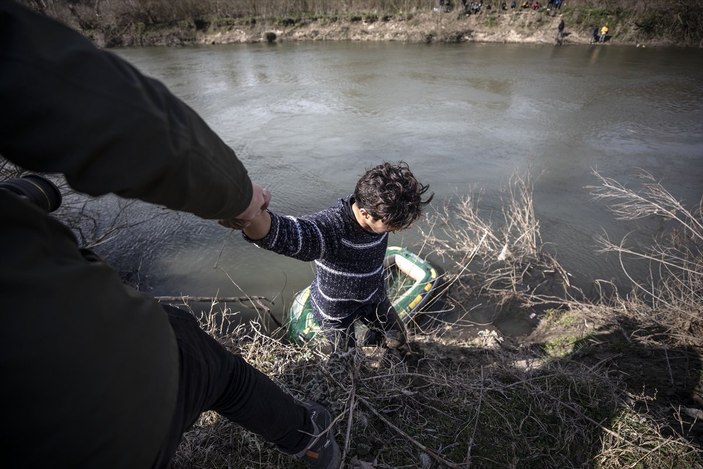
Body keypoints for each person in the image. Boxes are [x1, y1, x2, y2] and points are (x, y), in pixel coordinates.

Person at [0, 2, 339, 468]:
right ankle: (309, 437)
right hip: (96, 412)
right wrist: (239, 199)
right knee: (213, 367)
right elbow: (109, 113)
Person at [221, 162, 432, 353]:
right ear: (367, 214)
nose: (397, 229)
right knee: (346, 359)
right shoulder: (331, 228)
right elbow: (285, 234)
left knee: (398, 338)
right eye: (392, 225)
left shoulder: (383, 210)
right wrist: (249, 214)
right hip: (337, 313)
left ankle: (387, 355)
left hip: (374, 297)